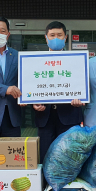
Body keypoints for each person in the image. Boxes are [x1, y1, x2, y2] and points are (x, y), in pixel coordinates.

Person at [32, 21, 84, 162]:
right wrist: (33, 102)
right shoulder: (35, 62)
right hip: (45, 116)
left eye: (59, 35)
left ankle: (67, 183)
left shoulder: (76, 61)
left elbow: (83, 86)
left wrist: (81, 99)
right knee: (45, 155)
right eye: (52, 35)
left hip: (69, 116)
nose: (56, 38)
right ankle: (46, 183)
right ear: (46, 37)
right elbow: (30, 87)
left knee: (68, 156)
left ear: (65, 37)